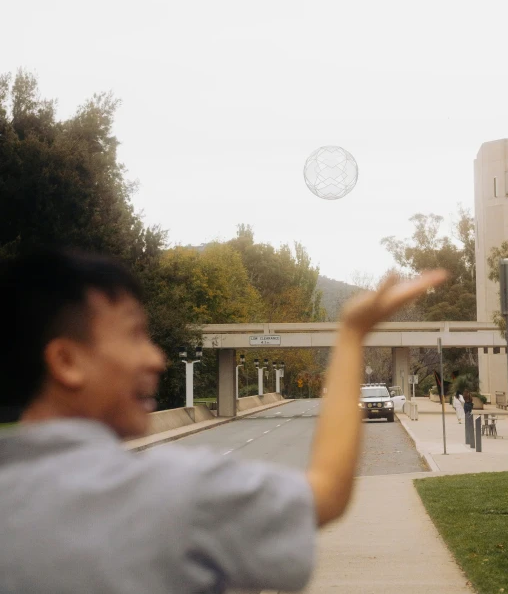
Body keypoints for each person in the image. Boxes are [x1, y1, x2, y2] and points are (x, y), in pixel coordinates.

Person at [0, 249, 446, 593]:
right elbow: (326, 492)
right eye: (134, 334)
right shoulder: (172, 492)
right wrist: (351, 334)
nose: (156, 358)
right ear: (66, 360)